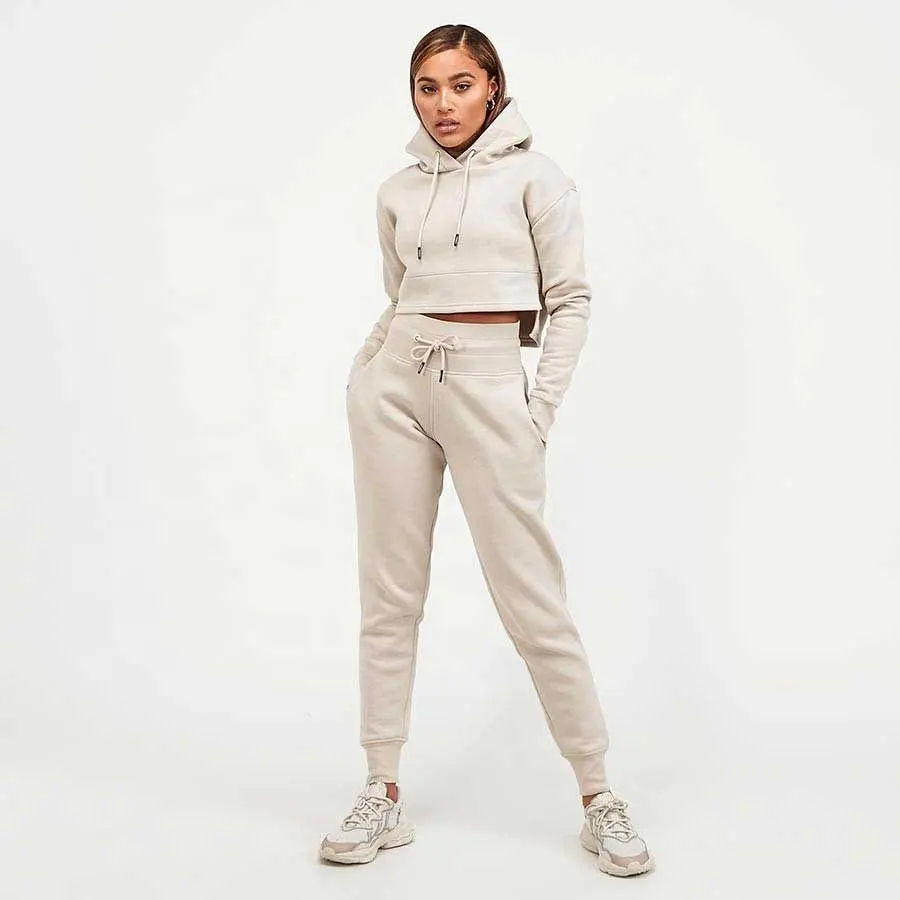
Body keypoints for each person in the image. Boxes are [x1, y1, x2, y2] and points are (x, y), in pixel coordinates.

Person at [319, 24, 655, 877]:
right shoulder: (398, 190)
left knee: (532, 600)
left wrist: (535, 411)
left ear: (494, 86)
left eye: (461, 85)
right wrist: (365, 374)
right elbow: (401, 294)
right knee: (389, 595)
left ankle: (598, 794)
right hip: (396, 386)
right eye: (428, 87)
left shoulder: (539, 179)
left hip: (491, 387)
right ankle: (381, 787)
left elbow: (570, 299)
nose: (443, 104)